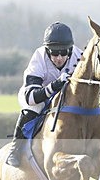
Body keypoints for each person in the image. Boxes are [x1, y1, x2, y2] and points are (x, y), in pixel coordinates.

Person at [6, 21, 84, 167]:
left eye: (64, 52)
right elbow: (31, 97)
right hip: (37, 96)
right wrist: (55, 86)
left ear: (71, 49)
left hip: (66, 96)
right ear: (47, 50)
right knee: (33, 107)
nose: (59, 57)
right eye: (54, 52)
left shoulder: (80, 56)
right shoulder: (39, 57)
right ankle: (15, 150)